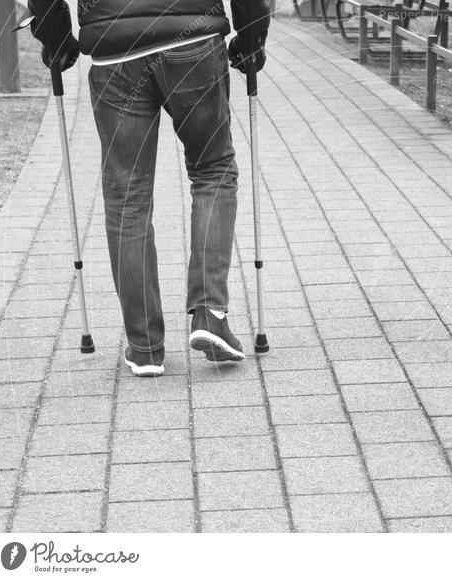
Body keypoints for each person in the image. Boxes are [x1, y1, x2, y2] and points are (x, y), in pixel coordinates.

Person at [27, 0, 271, 377]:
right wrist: (251, 35)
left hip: (115, 49)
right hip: (193, 41)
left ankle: (145, 347)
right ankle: (209, 312)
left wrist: (56, 38)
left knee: (128, 194)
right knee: (213, 169)